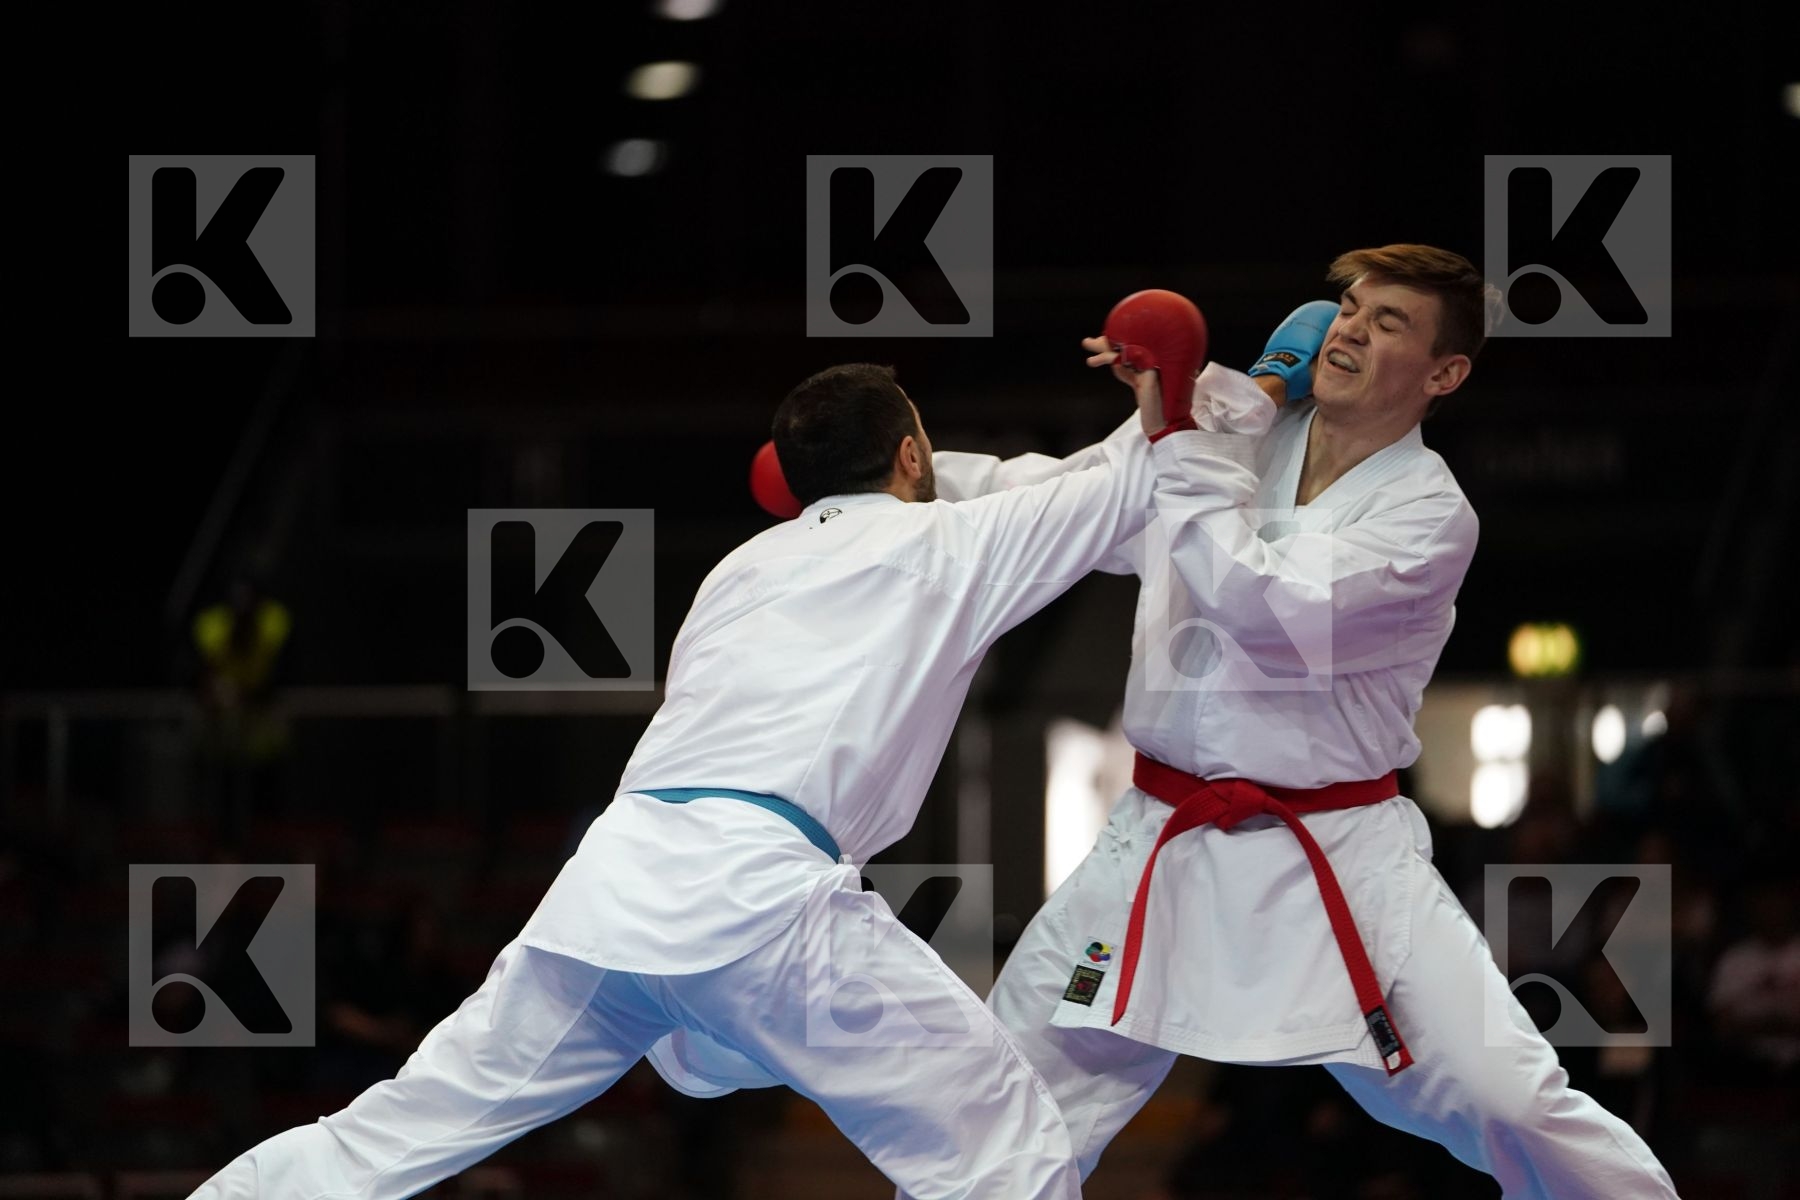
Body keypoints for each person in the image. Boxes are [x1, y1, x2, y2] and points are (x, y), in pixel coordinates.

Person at [192, 357, 1196, 1200]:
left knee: (389, 1136)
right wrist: (1171, 379)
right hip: (763, 903)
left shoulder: (740, 568)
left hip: (609, 895)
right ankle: (714, 1042)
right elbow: (1123, 486)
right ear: (909, 456)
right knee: (1006, 1148)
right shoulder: (943, 541)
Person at [924, 245, 1680, 1198]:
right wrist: (901, 478)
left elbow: (1262, 610)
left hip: (1337, 859)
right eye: (1350, 308)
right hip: (1157, 848)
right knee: (1005, 1108)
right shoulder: (1240, 433)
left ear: (1445, 375)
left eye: (1389, 321)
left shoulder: (1428, 514)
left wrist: (1181, 440)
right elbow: (1059, 500)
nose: (1353, 327)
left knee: (1512, 1103)